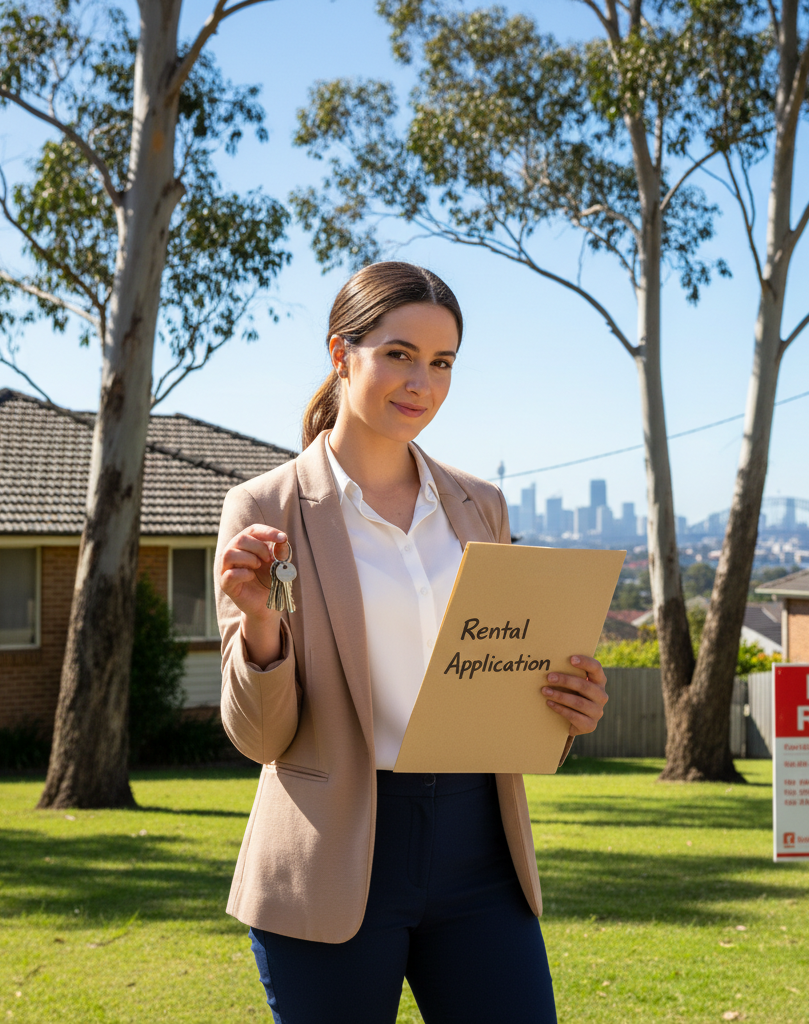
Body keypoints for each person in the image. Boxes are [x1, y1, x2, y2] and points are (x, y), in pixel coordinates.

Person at [215, 261, 609, 1024]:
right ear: (342, 354)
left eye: (442, 363)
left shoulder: (479, 506)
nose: (421, 382)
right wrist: (262, 625)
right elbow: (262, 737)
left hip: (481, 852)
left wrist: (567, 708)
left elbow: (502, 680)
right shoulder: (265, 507)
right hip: (331, 858)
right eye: (398, 354)